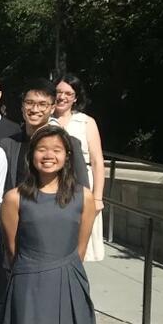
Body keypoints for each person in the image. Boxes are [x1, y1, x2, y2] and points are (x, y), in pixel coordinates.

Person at [0, 126, 97, 324]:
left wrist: (62, 269)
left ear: (67, 156)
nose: (49, 155)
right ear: (31, 155)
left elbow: (80, 247)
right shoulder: (14, 198)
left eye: (56, 150)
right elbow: (12, 249)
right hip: (28, 282)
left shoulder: (84, 197)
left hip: (69, 281)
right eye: (41, 149)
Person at [0, 79, 90, 191]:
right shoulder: (8, 144)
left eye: (42, 104)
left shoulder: (70, 144)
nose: (35, 109)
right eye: (29, 103)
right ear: (22, 106)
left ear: (52, 108)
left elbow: (83, 190)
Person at [55, 74, 106, 262]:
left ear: (75, 97)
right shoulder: (44, 120)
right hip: (50, 182)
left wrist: (98, 197)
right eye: (59, 92)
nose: (62, 97)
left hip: (80, 183)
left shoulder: (86, 122)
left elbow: (96, 161)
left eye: (68, 93)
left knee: (80, 242)